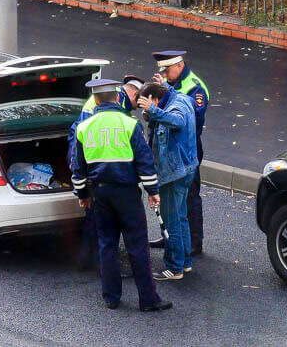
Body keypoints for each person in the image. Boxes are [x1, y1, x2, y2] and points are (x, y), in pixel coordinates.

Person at [70, 79, 172, 312]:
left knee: (107, 244)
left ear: (96, 100)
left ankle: (111, 297)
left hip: (100, 193)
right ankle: (148, 300)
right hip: (127, 194)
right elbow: (145, 162)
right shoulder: (129, 124)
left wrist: (83, 194)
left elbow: (79, 167)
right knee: (137, 246)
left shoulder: (84, 128)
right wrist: (153, 191)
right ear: (117, 98)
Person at [68, 75, 145, 270]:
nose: (140, 107)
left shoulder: (108, 98)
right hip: (103, 175)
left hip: (95, 172)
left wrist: (81, 188)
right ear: (132, 94)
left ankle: (90, 262)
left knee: (98, 222)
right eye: (140, 101)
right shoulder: (115, 105)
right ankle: (94, 263)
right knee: (99, 224)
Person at [149, 51, 210, 256]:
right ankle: (170, 236)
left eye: (167, 71)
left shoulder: (195, 87)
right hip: (168, 146)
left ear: (179, 65)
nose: (164, 75)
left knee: (189, 195)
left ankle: (194, 241)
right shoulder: (172, 84)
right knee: (166, 193)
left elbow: (192, 119)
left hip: (186, 148)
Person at [136, 82, 198, 281]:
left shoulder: (173, 107)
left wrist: (152, 110)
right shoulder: (177, 98)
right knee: (180, 218)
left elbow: (177, 121)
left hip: (174, 174)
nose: (145, 114)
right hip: (186, 169)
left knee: (171, 221)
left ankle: (174, 268)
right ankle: (185, 263)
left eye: (146, 106)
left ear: (154, 99)